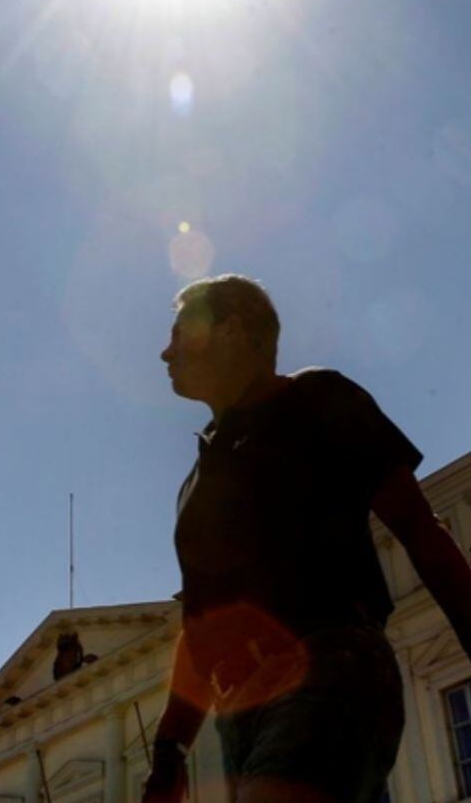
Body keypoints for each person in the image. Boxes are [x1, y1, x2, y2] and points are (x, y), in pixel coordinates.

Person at [144, 274, 471, 802]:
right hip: (240, 714)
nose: (164, 352)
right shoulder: (196, 482)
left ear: (230, 329)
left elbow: (417, 528)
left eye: (179, 333)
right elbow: (201, 626)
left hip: (328, 665)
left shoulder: (317, 398)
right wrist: (169, 751)